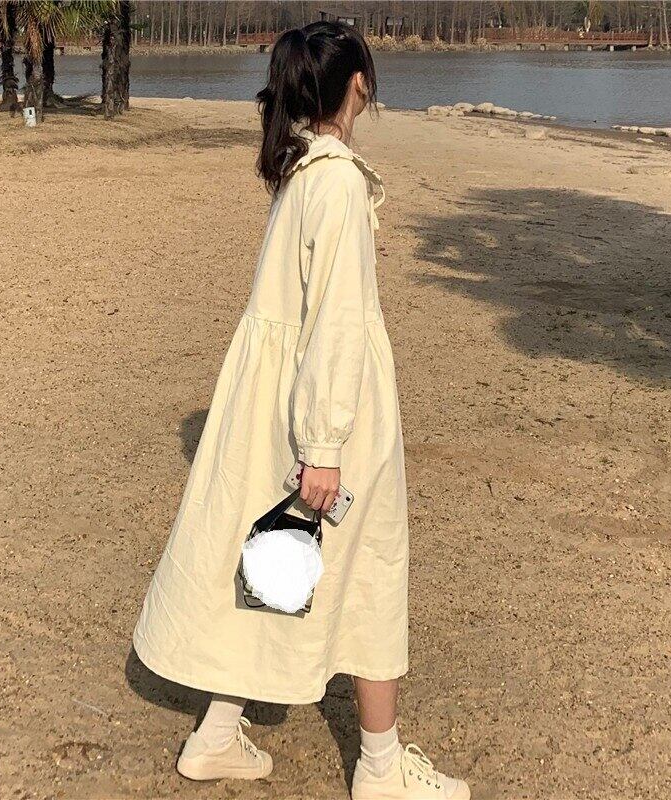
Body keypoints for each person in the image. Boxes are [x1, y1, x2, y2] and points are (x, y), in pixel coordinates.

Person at [132, 21, 470, 800]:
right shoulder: (337, 181)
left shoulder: (300, 171)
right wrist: (325, 445)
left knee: (280, 558)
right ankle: (380, 767)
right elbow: (337, 322)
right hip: (328, 411)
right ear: (359, 84)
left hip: (273, 403)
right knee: (370, 566)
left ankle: (218, 734)